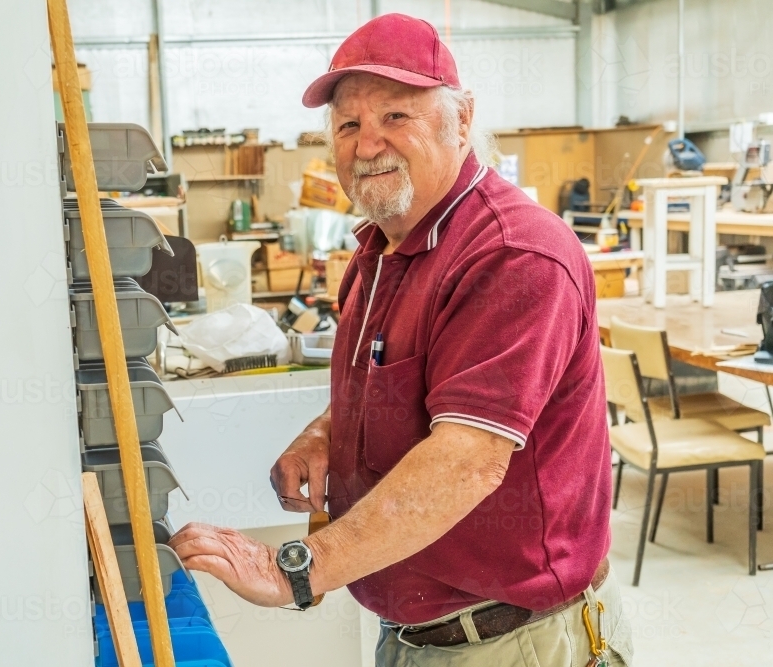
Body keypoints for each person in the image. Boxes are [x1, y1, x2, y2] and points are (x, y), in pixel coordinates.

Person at [170, 13, 633, 666]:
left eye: (396, 117)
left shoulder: (513, 255)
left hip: (517, 643)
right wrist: (327, 433)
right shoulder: (381, 250)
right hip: (416, 636)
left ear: (462, 120)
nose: (366, 145)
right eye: (348, 125)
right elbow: (408, 383)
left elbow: (467, 460)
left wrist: (297, 569)